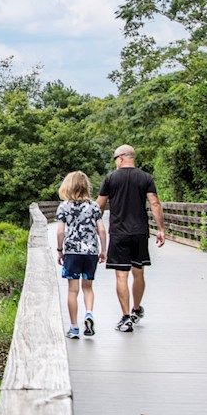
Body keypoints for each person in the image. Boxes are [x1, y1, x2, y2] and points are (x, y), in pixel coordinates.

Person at [96, 144, 166, 332]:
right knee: (138, 271)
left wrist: (96, 225)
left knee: (121, 275)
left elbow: (99, 205)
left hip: (119, 233)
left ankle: (126, 318)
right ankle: (136, 309)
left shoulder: (110, 178)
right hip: (140, 232)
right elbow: (155, 204)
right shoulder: (145, 177)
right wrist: (161, 229)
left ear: (120, 158)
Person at [55, 171, 107, 339]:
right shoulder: (94, 206)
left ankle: (74, 327)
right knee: (88, 287)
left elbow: (60, 231)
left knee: (72, 290)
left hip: (72, 252)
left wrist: (59, 250)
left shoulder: (64, 206)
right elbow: (102, 230)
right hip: (90, 251)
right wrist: (103, 250)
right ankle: (89, 314)